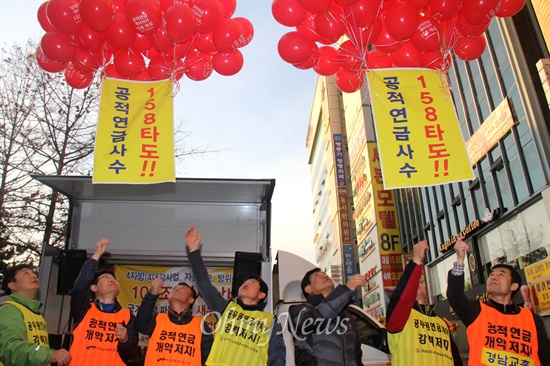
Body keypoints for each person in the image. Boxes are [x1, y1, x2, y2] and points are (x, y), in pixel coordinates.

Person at [185, 226, 286, 366]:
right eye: (244, 282)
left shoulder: (270, 322)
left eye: (252, 283)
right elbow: (204, 285)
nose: (245, 284)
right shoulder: (225, 309)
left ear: (262, 294)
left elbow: (278, 358)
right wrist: (194, 252)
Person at [447, 236, 550, 365]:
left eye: (501, 274)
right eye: (491, 274)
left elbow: (545, 356)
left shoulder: (532, 319)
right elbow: (454, 296)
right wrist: (460, 259)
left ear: (514, 286)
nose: (494, 277)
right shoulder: (476, 311)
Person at [386, 240, 462, 366]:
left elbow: (456, 359)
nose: (418, 284)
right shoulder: (400, 318)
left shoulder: (442, 323)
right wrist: (416, 260)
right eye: (415, 283)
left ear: (427, 294)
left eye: (421, 283)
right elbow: (402, 297)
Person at [69, 238, 139, 365]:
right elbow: (79, 288)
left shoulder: (127, 317)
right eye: (105, 278)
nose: (112, 280)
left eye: (114, 278)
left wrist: (126, 340)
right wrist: (96, 256)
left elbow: (132, 354)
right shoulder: (84, 309)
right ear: (93, 288)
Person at [288, 264, 367, 365]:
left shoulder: (347, 316)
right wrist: (346, 290)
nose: (324, 276)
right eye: (317, 276)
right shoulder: (297, 311)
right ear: (308, 289)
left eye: (325, 274)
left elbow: (356, 356)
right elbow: (318, 317)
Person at [0, 264, 72, 366]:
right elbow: (11, 348)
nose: (34, 276)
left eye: (34, 273)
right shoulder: (9, 310)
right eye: (26, 273)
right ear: (12, 285)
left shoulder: (37, 314)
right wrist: (48, 355)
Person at [135, 277, 214, 365]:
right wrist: (152, 295)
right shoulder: (158, 319)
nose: (177, 289)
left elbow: (208, 359)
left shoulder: (200, 325)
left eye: (182, 288)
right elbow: (141, 325)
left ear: (191, 300)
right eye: (175, 288)